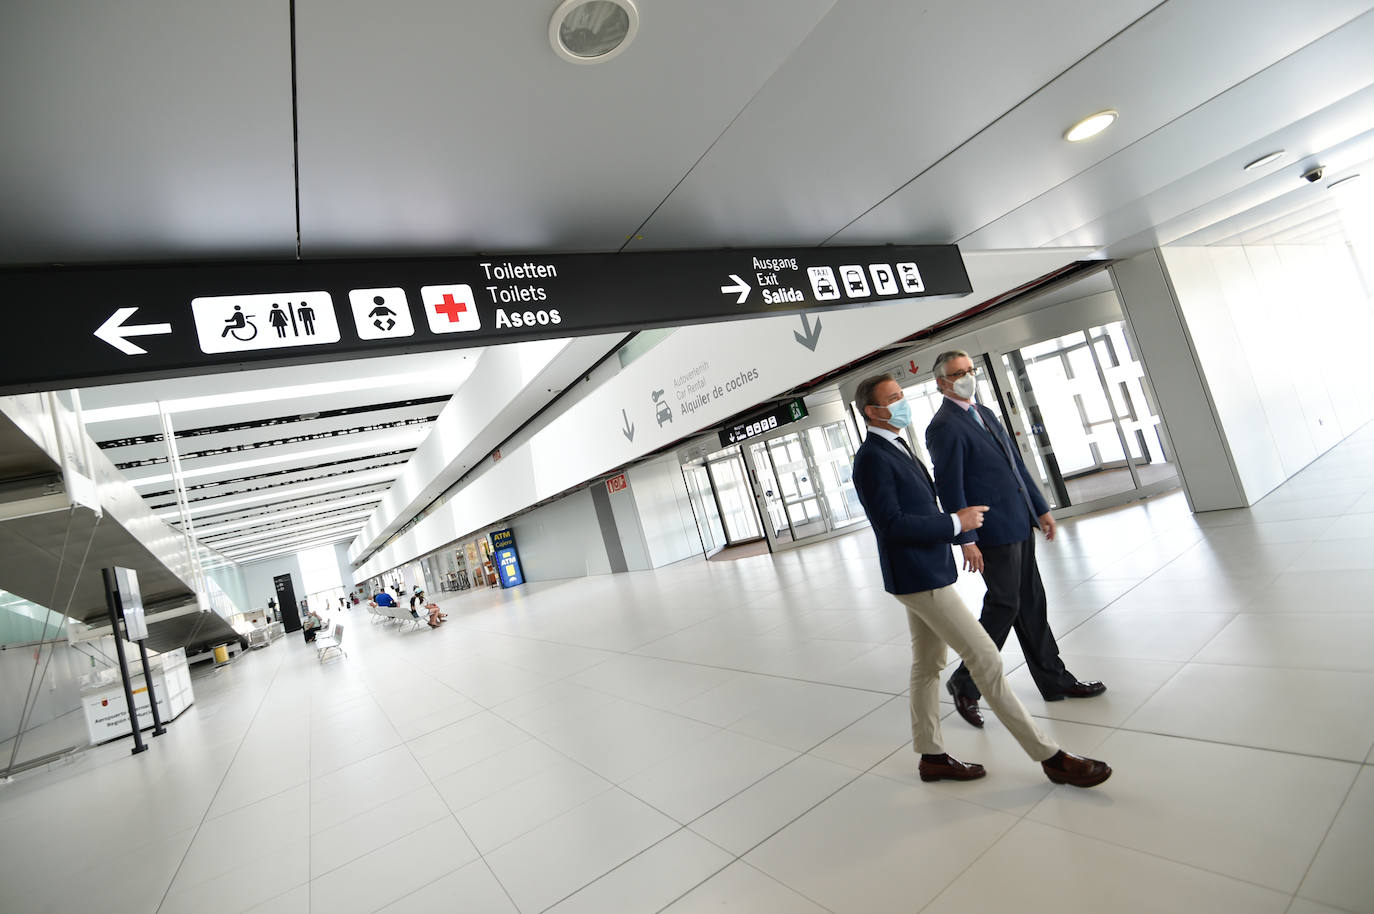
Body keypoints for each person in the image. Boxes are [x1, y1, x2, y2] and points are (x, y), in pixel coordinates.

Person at [851, 372, 1110, 787]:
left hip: (927, 571)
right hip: (919, 578)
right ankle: (1051, 757)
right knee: (986, 659)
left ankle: (931, 756)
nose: (903, 403)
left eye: (902, 395)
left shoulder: (897, 445)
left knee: (928, 665)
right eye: (894, 398)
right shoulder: (871, 459)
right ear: (872, 411)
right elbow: (892, 526)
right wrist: (957, 524)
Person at [925, 350, 1105, 728]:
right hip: (991, 531)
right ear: (941, 382)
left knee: (1031, 604)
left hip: (1019, 522)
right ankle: (965, 682)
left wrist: (1040, 509)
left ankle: (1055, 681)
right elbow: (950, 487)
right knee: (1004, 605)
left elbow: (1016, 465)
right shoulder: (943, 426)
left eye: (970, 370)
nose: (967, 377)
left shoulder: (984, 412)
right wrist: (966, 538)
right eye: (958, 373)